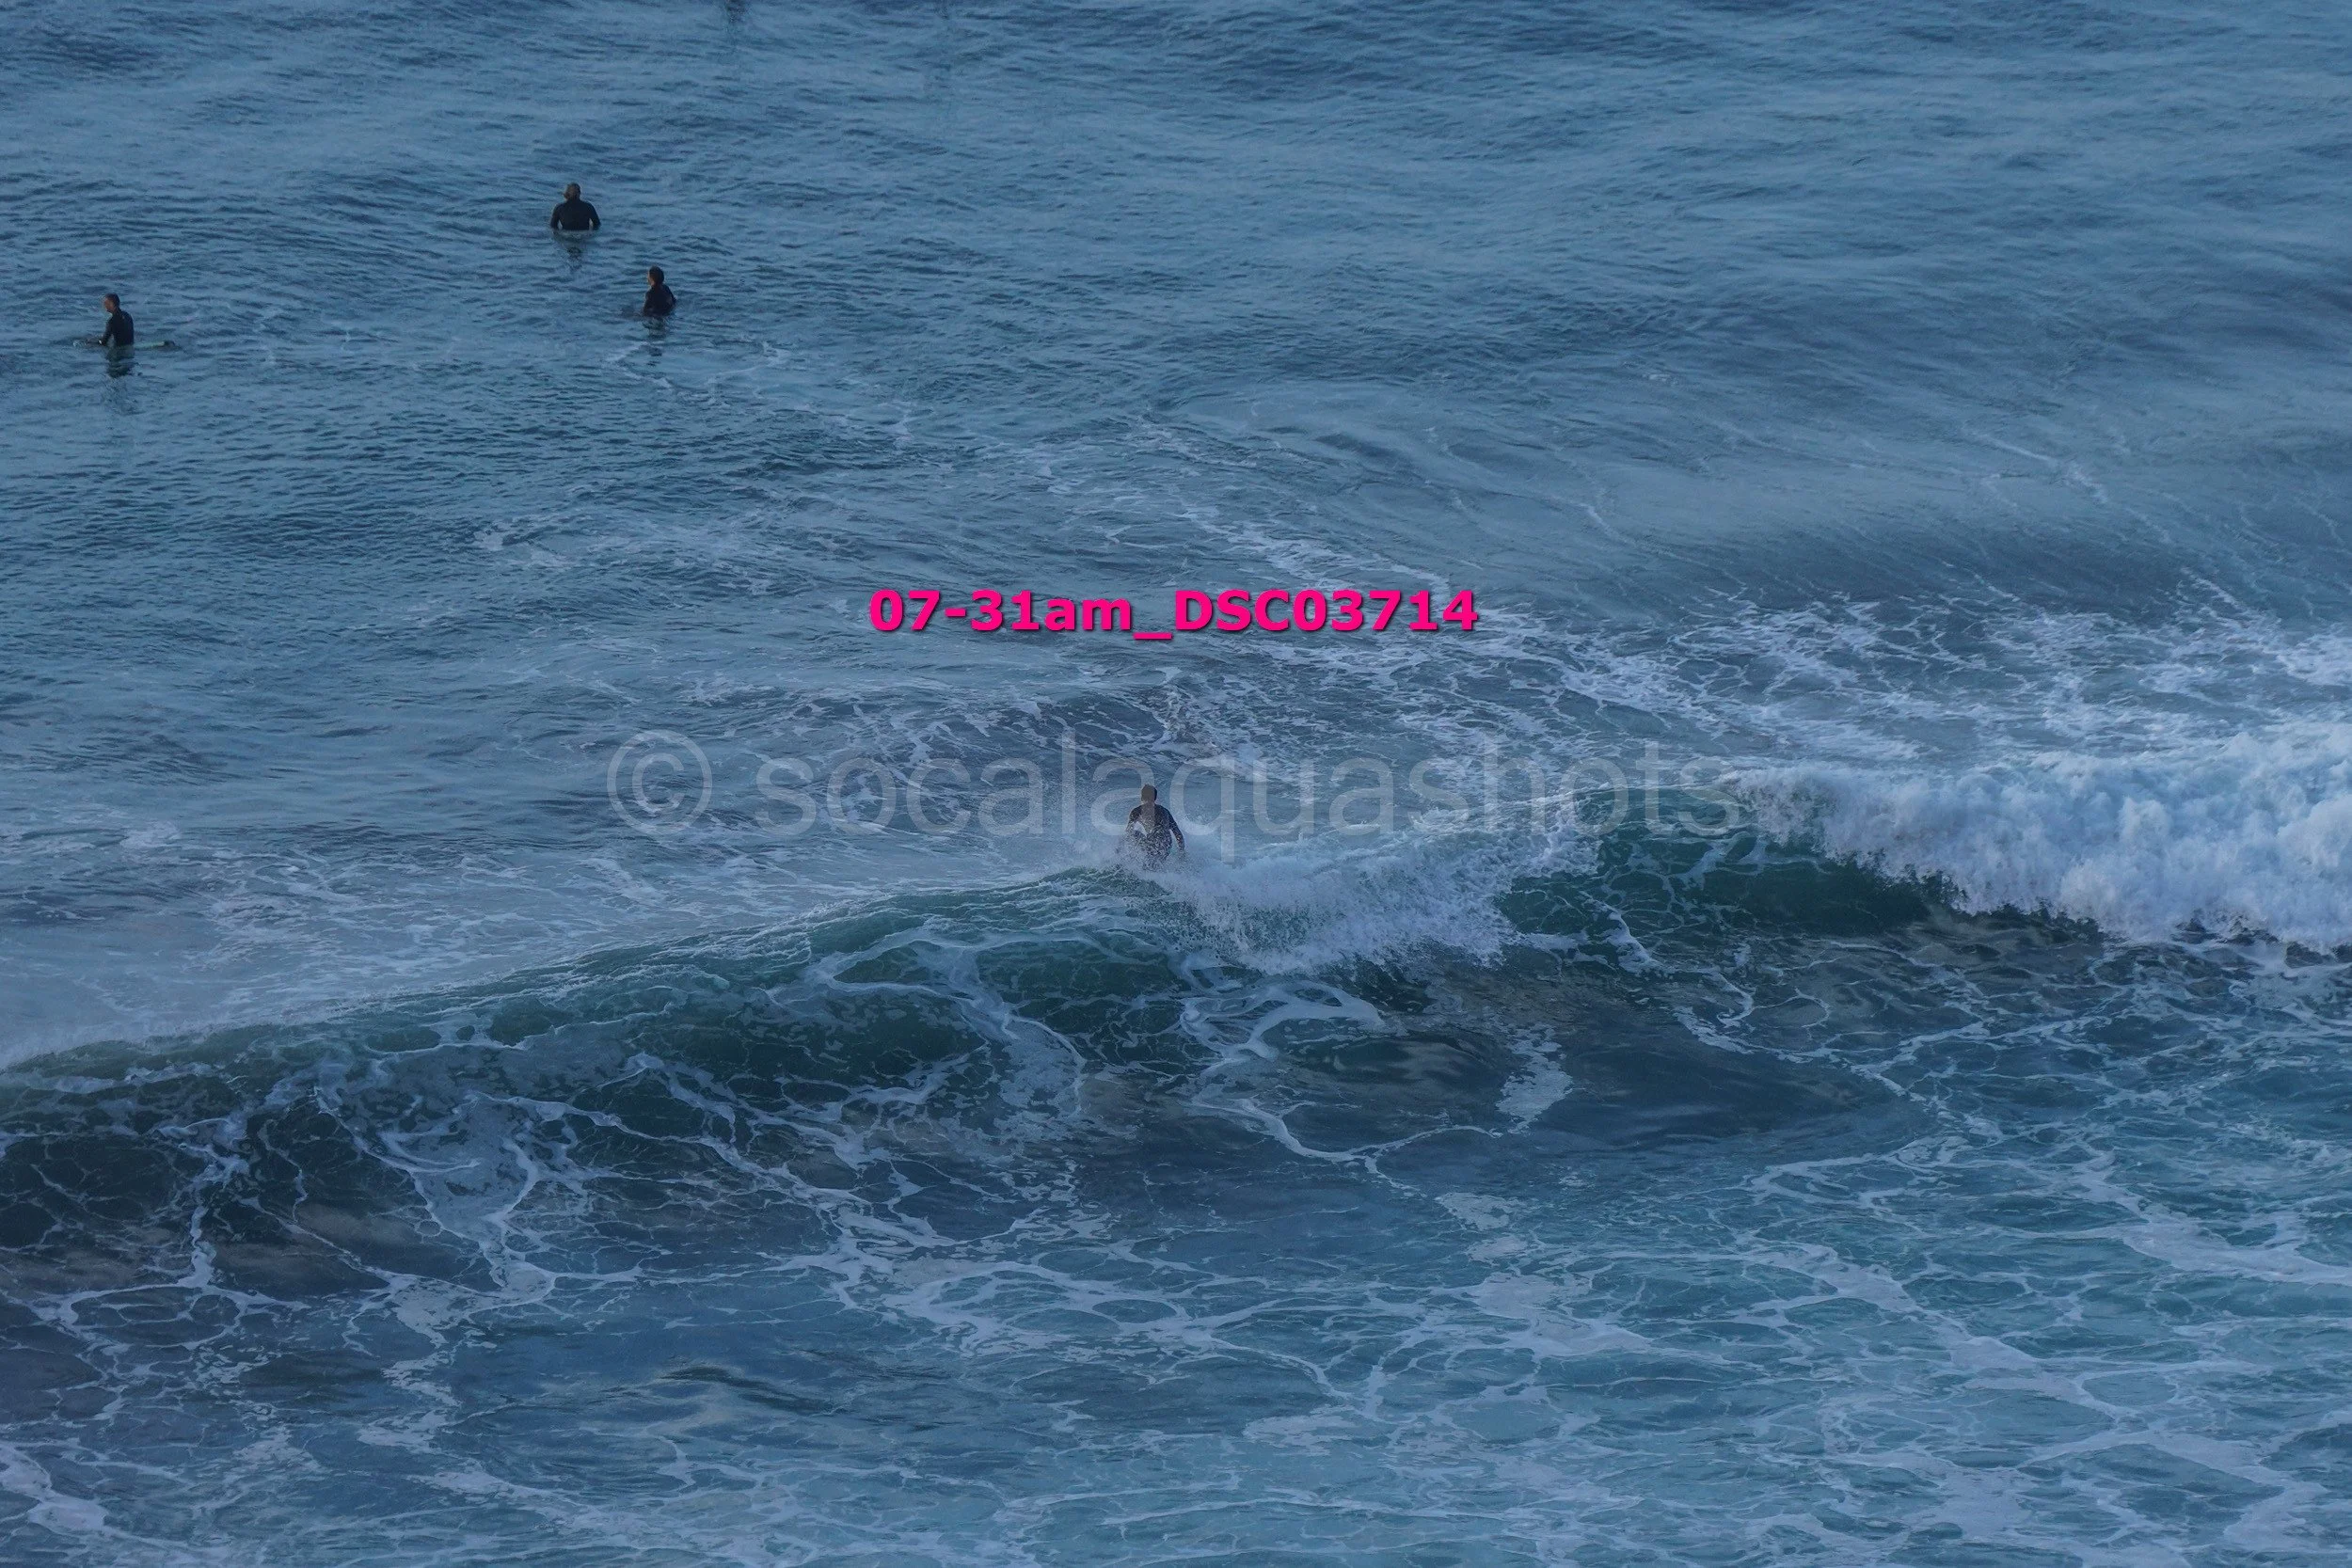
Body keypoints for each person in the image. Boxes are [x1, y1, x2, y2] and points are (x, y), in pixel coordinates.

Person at [1126, 784, 1185, 865]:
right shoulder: (1165, 811)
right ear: (1155, 798)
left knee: (1136, 833)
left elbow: (1128, 832)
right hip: (1167, 845)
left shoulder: (1136, 811)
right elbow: (1177, 832)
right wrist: (1182, 851)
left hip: (1155, 843)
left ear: (1142, 797)